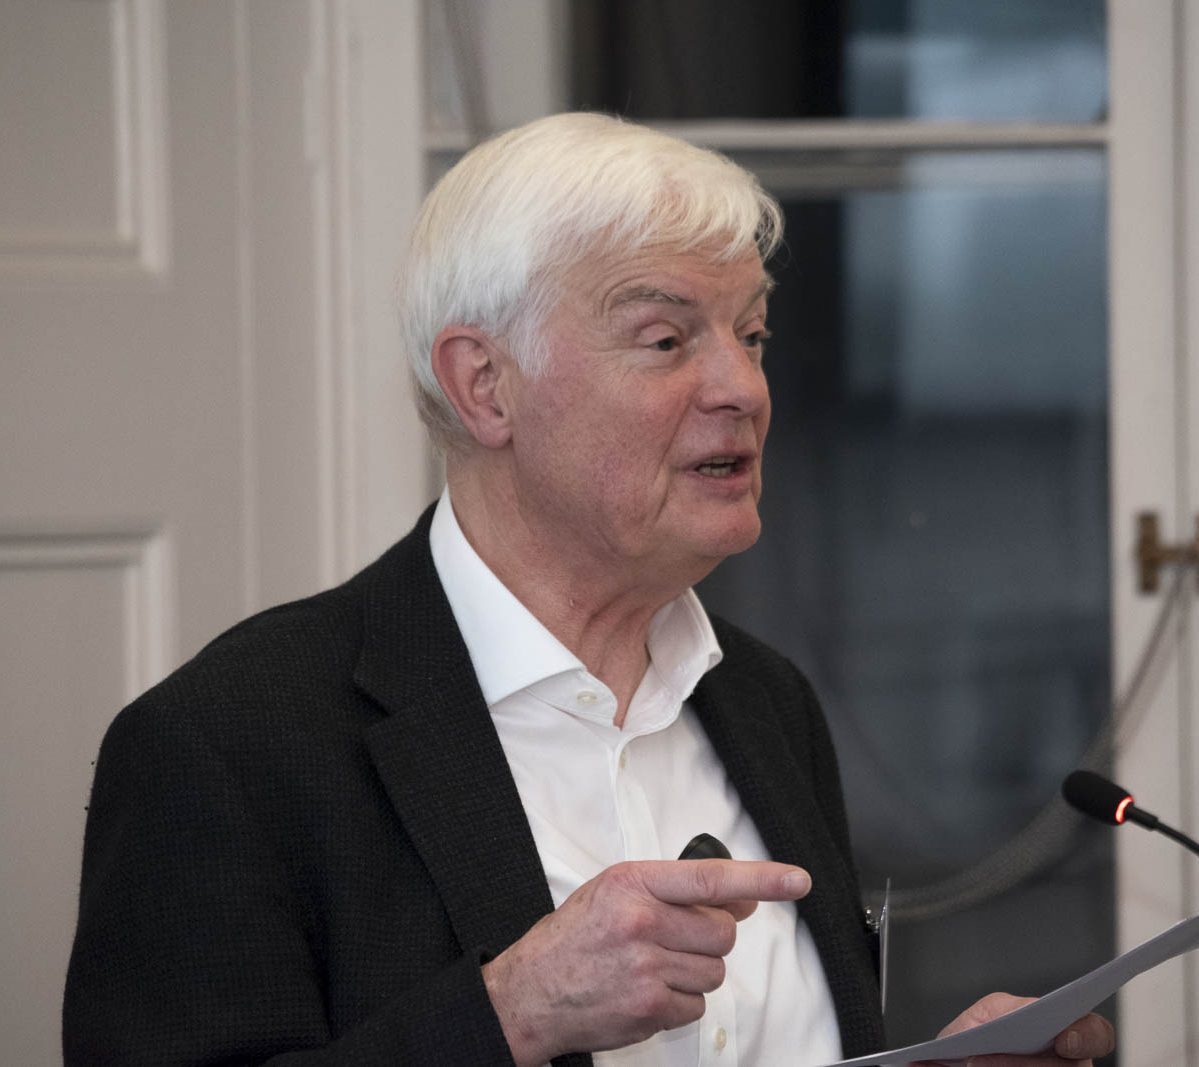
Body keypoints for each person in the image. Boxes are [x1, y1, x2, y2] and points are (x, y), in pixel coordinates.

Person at [62, 112, 1114, 1067]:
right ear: (485, 385)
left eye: (749, 335)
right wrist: (510, 1013)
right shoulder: (228, 743)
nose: (740, 386)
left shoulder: (763, 701)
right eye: (666, 340)